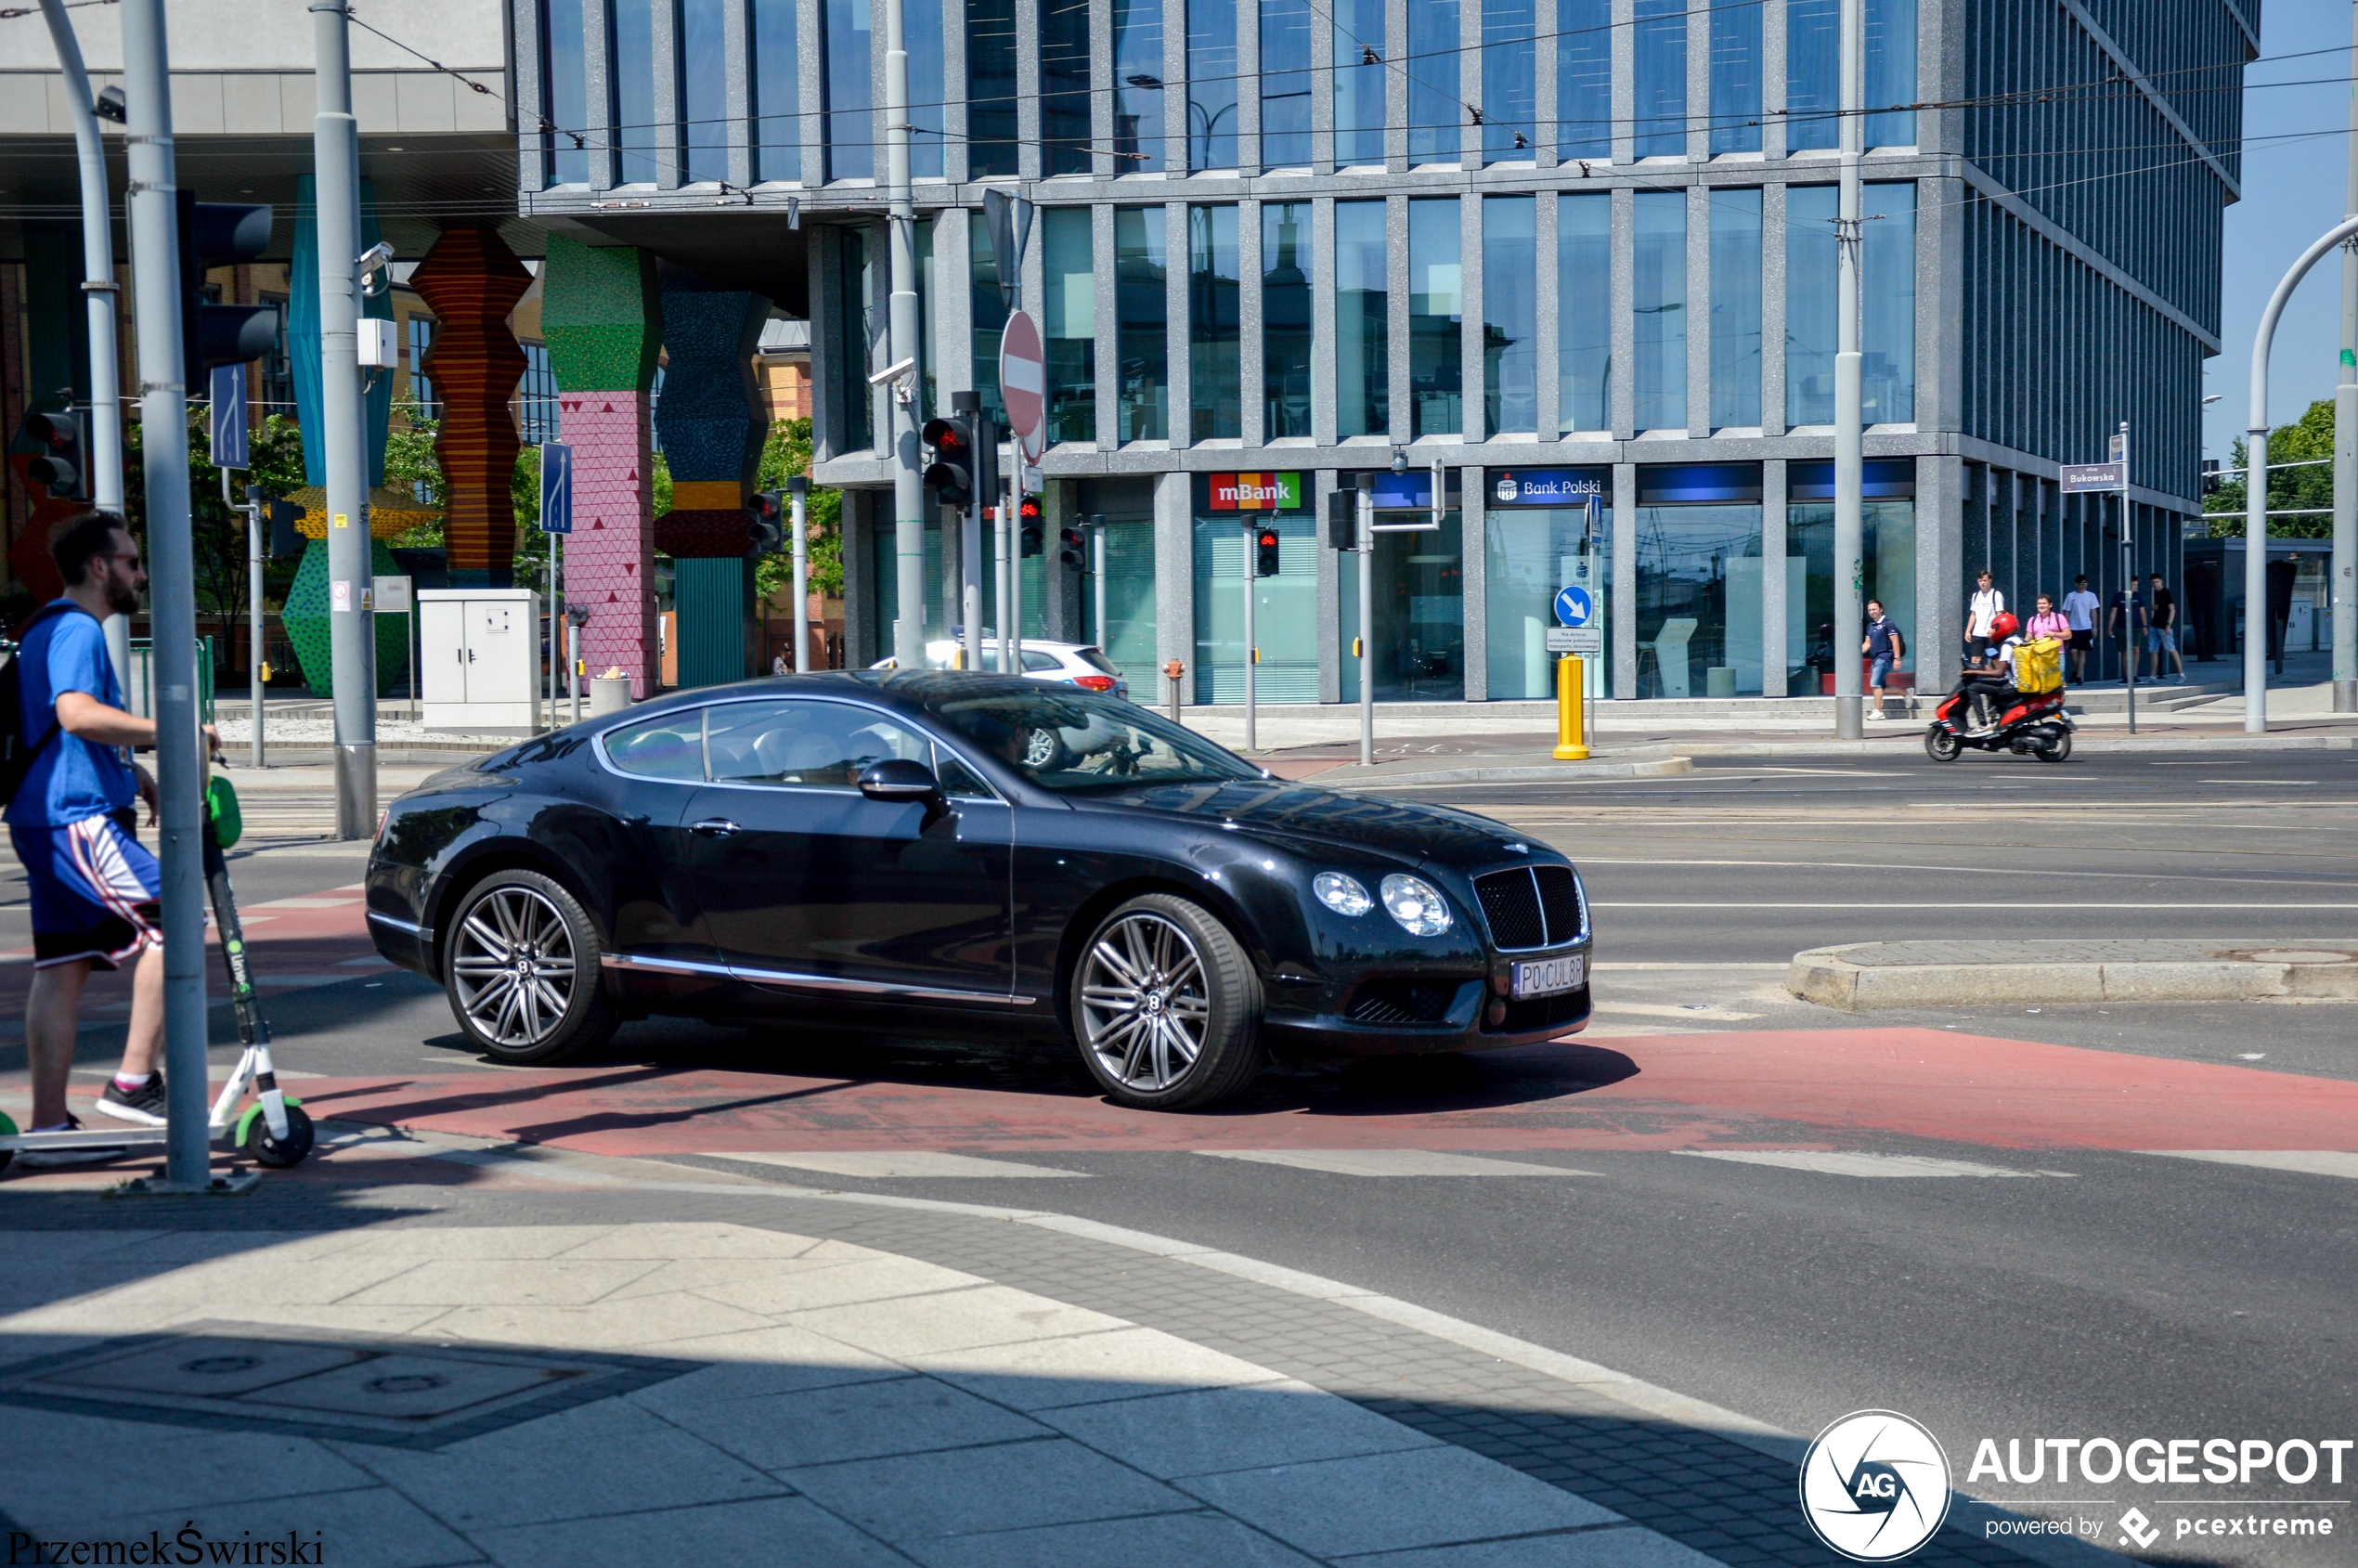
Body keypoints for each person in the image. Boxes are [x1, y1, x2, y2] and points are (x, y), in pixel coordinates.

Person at [6, 512, 213, 1165]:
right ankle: (132, 1082)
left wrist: (135, 770)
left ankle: (46, 1125)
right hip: (76, 817)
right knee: (178, 922)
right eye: (129, 561)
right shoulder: (75, 629)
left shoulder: (44, 626)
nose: (140, 573)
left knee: (61, 966)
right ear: (99, 567)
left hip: (46, 815)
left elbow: (55, 725)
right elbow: (75, 713)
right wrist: (169, 729)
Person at [1961, 611, 2025, 734]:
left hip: (2013, 686)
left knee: (1972, 687)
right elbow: (2006, 668)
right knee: (1990, 686)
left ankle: (1983, 724)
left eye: (1994, 628)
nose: (1992, 631)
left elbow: (2000, 672)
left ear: (2003, 628)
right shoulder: (2019, 640)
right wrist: (1986, 670)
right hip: (2020, 684)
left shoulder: (2007, 645)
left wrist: (1973, 672)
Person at [1860, 601, 1905, 721]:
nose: (1872, 612)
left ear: (1881, 609)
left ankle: (1878, 711)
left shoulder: (1888, 623)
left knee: (1875, 683)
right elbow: (1867, 644)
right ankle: (1906, 693)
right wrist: (1856, 652)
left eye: (1874, 609)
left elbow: (1895, 641)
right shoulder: (1871, 626)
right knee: (1882, 687)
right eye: (1870, 610)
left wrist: (1897, 658)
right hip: (1875, 658)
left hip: (1885, 657)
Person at [2060, 574, 2100, 685]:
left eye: (2085, 583)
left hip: (2086, 626)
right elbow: (2067, 612)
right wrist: (2065, 627)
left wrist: (2095, 627)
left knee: (2083, 652)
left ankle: (2078, 676)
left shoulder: (2091, 596)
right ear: (2076, 584)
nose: (2084, 585)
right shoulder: (2071, 596)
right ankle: (2075, 670)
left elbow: (2094, 612)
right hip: (2073, 627)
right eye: (2082, 583)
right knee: (2073, 651)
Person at [2146, 573, 2185, 683]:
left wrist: (2168, 625)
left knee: (2171, 648)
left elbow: (2172, 609)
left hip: (2164, 626)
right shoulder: (2156, 593)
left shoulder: (2165, 592)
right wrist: (2152, 608)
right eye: (2153, 582)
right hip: (2155, 624)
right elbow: (2157, 608)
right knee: (2153, 650)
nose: (2155, 584)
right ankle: (2152, 676)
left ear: (2161, 581)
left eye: (2157, 582)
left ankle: (2181, 674)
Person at [2105, 579, 2146, 685]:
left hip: (2136, 626)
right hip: (2122, 627)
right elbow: (2113, 612)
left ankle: (2134, 675)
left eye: (2136, 585)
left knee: (2136, 649)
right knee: (2125, 651)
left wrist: (2145, 625)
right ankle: (2127, 676)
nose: (2135, 587)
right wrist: (2110, 628)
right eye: (2133, 585)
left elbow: (2142, 611)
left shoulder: (2138, 596)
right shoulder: (2118, 597)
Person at [1967, 571, 2005, 654]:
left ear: (1990, 580)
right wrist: (1968, 630)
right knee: (1975, 659)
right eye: (1980, 581)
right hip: (1977, 633)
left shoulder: (1996, 595)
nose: (1982, 583)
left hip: (1990, 634)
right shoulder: (1976, 595)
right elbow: (1973, 614)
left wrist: (1994, 629)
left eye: (1985, 580)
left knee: (1993, 657)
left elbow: (1999, 614)